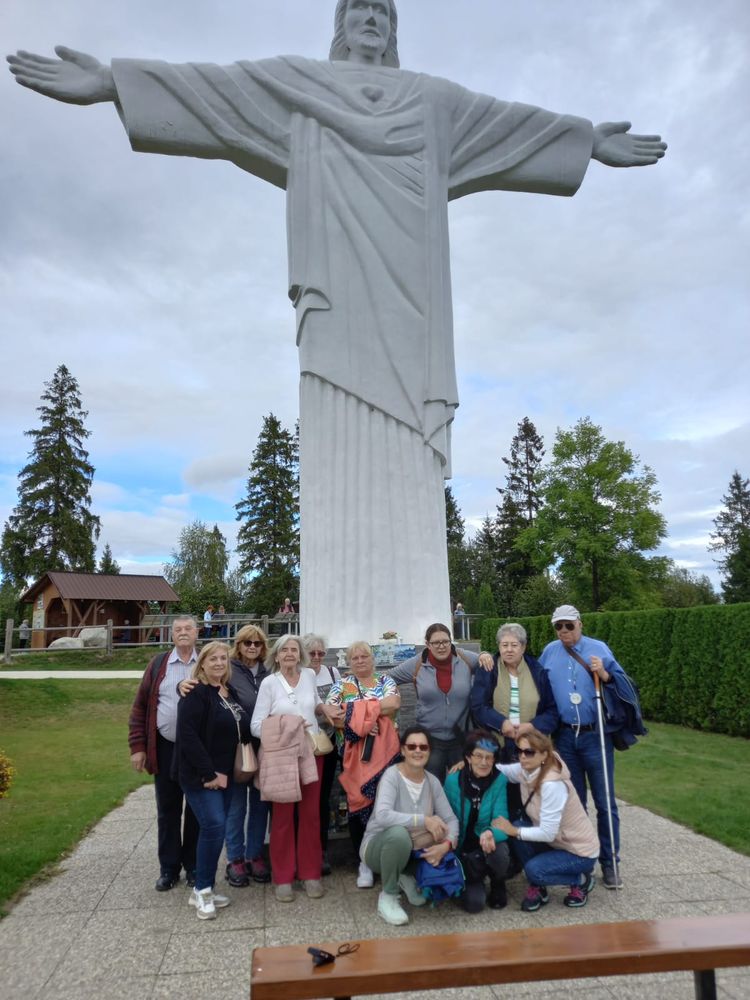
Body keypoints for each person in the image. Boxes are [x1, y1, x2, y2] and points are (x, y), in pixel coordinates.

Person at [6, 3, 666, 647]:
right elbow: (215, 91)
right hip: (339, 304)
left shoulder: (434, 102)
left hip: (414, 306)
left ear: (394, 27)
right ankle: (338, 641)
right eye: (360, 8)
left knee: (411, 451)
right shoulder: (302, 86)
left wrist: (586, 141)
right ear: (342, 25)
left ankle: (414, 628)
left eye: (384, 9)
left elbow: (510, 126)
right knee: (337, 443)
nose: (372, 17)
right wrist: (115, 83)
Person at [539, 604, 624, 889]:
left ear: (580, 624)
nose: (563, 631)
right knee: (574, 804)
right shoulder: (549, 651)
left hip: (594, 735)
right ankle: (582, 858)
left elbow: (623, 686)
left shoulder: (598, 648)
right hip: (564, 736)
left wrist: (605, 674)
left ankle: (610, 863)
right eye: (558, 626)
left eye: (568, 625)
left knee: (604, 802)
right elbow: (538, 685)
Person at [250, 634, 340, 901]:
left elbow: (313, 703)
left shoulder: (309, 677)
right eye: (284, 650)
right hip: (281, 758)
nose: (290, 654)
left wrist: (326, 709)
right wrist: (287, 726)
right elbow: (256, 726)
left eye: (294, 650)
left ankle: (310, 873)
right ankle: (283, 876)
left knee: (311, 814)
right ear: (276, 656)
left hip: (312, 753)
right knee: (282, 817)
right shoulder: (269, 683)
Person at [176, 641, 253, 920]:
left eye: (223, 658)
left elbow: (238, 726)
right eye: (213, 659)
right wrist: (207, 774)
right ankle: (202, 889)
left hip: (226, 774)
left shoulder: (228, 691)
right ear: (203, 663)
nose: (219, 663)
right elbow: (188, 736)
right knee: (214, 826)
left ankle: (202, 888)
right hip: (202, 775)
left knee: (215, 830)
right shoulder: (196, 692)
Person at [128, 615, 200, 891]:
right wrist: (138, 748)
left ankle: (193, 866)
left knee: (196, 810)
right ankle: (169, 868)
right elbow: (139, 709)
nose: (183, 633)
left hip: (197, 752)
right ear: (172, 635)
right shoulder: (158, 665)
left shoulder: (206, 662)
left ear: (197, 633)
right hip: (165, 748)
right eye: (178, 629)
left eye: (188, 629)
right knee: (168, 811)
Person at [361, 726, 459, 926]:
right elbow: (382, 816)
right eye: (412, 746)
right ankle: (388, 896)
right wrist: (424, 820)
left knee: (439, 830)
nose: (418, 751)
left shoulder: (432, 782)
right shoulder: (392, 776)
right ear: (403, 750)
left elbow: (452, 820)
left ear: (429, 752)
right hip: (377, 848)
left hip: (412, 849)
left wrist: (447, 845)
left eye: (423, 747)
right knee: (399, 835)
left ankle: (404, 875)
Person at [492, 728, 599, 911]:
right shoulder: (527, 769)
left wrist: (513, 831)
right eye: (519, 751)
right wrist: (468, 763)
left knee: (533, 869)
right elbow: (501, 770)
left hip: (578, 851)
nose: (522, 756)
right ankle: (539, 887)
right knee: (519, 828)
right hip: (559, 843)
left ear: (544, 754)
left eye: (529, 752)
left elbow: (548, 833)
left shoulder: (552, 784)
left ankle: (580, 879)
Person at [325, 641, 401, 887]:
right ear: (349, 661)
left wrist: (358, 715)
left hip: (386, 756)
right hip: (353, 758)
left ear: (372, 659)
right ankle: (364, 861)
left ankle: (387, 856)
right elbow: (332, 715)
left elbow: (394, 704)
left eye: (364, 656)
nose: (360, 661)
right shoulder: (341, 685)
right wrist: (370, 720)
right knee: (358, 808)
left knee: (385, 805)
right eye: (354, 657)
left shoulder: (385, 681)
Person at [471, 623, 558, 817]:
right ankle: (501, 841)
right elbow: (478, 706)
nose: (509, 650)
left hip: (530, 744)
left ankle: (528, 839)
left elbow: (552, 712)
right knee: (499, 796)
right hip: (498, 744)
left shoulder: (538, 671)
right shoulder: (489, 669)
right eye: (504, 645)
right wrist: (502, 723)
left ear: (523, 647)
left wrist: (532, 726)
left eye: (514, 645)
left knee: (530, 799)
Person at [388, 623, 493, 780]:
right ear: (427, 645)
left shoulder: (463, 658)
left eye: (445, 641)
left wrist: (485, 653)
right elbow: (388, 677)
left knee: (462, 788)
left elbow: (486, 662)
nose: (442, 646)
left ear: (451, 642)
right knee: (431, 787)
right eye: (436, 643)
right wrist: (358, 678)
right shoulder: (417, 664)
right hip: (430, 740)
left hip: (462, 739)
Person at [223, 625, 271, 887]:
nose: (252, 647)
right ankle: (235, 858)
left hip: (263, 744)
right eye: (247, 643)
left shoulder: (268, 673)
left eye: (257, 643)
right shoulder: (229, 669)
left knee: (260, 804)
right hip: (238, 746)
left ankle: (254, 855)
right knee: (236, 804)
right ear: (239, 645)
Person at [443, 730, 511, 912]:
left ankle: (498, 881)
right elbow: (444, 816)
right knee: (474, 905)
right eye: (478, 756)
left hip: (485, 844)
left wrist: (490, 832)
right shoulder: (453, 780)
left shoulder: (499, 780)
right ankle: (473, 877)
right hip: (462, 849)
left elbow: (501, 820)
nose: (483, 762)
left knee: (499, 849)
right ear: (467, 757)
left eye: (489, 758)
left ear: (495, 760)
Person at [302, 633, 341, 876]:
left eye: (320, 653)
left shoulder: (334, 674)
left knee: (323, 798)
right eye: (312, 653)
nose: (316, 657)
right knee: (304, 798)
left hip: (327, 743)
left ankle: (321, 849)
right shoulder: (298, 675)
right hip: (304, 744)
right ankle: (304, 848)